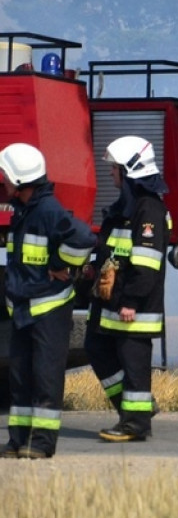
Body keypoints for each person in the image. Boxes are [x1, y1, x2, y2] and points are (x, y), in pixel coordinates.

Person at [1, 143, 96, 458]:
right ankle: (18, 441)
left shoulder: (47, 211)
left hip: (48, 310)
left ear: (18, 179)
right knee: (20, 377)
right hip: (24, 308)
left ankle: (41, 444)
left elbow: (83, 239)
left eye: (4, 175)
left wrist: (59, 264)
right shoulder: (23, 211)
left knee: (45, 377)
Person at [85, 135, 170, 443]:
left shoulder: (149, 212)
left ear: (130, 170)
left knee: (133, 362)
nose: (111, 174)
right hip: (110, 301)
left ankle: (136, 423)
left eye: (115, 169)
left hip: (133, 306)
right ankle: (137, 409)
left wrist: (131, 300)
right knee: (96, 348)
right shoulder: (126, 206)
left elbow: (147, 264)